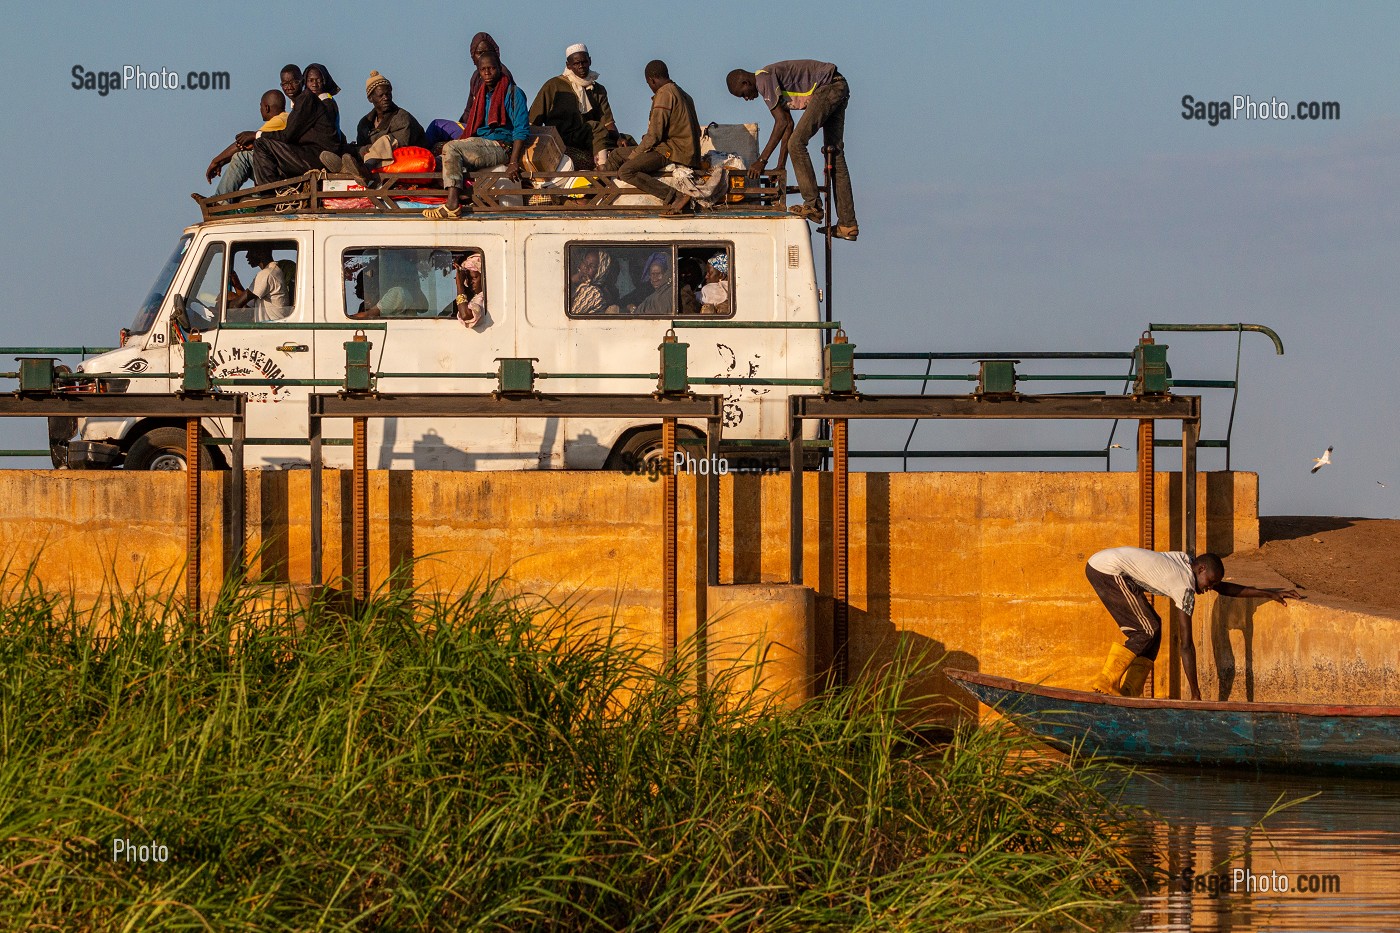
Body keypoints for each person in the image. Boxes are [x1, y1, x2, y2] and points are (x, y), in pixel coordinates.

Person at [1085, 546, 1300, 700]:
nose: (1209, 588)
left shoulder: (1185, 562)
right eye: (1210, 582)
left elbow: (1225, 588)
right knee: (1147, 629)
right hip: (1108, 570)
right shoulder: (1185, 587)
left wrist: (1268, 593)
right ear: (1201, 569)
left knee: (1154, 628)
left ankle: (1129, 692)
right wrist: (1195, 694)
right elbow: (1186, 646)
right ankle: (1106, 681)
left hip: (1105, 564)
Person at [726, 61, 858, 240]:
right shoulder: (768, 80)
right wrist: (780, 165)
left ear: (745, 83)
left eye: (743, 95)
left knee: (797, 143)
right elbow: (788, 124)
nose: (746, 99)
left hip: (827, 87)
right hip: (838, 84)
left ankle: (812, 205)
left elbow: (780, 123)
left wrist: (762, 161)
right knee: (833, 154)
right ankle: (847, 224)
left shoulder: (763, 80)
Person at [423, 54, 528, 219]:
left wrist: (513, 161)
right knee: (437, 160)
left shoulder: (514, 93)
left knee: (451, 147)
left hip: (501, 146)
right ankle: (463, 193)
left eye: (491, 68)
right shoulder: (481, 95)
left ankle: (452, 204)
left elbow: (521, 129)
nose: (487, 73)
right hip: (481, 143)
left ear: (500, 68)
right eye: (483, 70)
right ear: (479, 72)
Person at [604, 60, 700, 210]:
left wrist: (634, 155)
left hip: (673, 151)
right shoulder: (683, 93)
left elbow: (654, 135)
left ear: (652, 80)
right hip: (682, 149)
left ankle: (675, 196)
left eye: (649, 84)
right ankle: (602, 192)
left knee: (626, 171)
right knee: (616, 154)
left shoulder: (664, 93)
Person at [324, 71, 428, 181]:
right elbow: (362, 146)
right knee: (348, 149)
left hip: (404, 157)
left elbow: (399, 144)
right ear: (370, 98)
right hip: (374, 158)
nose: (386, 98)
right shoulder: (365, 123)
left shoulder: (401, 117)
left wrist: (367, 150)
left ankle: (365, 171)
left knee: (386, 140)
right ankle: (344, 169)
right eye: (381, 95)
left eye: (388, 94)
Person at [529, 43, 618, 169]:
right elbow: (533, 120)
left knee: (627, 140)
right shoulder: (553, 85)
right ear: (568, 65)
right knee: (594, 127)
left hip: (591, 138)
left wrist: (619, 139)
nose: (581, 66)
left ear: (590, 61)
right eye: (576, 63)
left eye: (584, 62)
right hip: (563, 137)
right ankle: (602, 167)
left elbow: (608, 123)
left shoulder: (598, 89)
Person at [250, 65, 339, 186]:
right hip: (313, 154)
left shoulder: (308, 100)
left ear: (302, 82)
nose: (289, 87)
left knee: (261, 144)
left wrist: (256, 135)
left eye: (294, 82)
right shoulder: (305, 102)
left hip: (317, 157)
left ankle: (268, 194)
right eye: (285, 84)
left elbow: (287, 135)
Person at [206, 89, 286, 196]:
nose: (260, 109)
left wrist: (216, 161)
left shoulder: (279, 121)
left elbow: (244, 143)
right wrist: (222, 162)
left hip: (277, 172)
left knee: (242, 157)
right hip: (276, 169)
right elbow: (248, 144)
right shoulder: (286, 118)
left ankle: (220, 200)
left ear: (266, 107)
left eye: (260, 106)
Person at [228, 245, 291, 322]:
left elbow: (236, 305)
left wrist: (221, 307)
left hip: (272, 329)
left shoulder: (266, 274)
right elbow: (247, 308)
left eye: (250, 251)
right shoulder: (274, 271)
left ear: (261, 252)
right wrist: (237, 286)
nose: (247, 256)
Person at [304, 63, 348, 147]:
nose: (314, 84)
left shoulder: (327, 102)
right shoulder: (310, 102)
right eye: (311, 80)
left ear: (324, 81)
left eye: (318, 80)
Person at [569, 250, 616, 315]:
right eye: (584, 262)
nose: (586, 267)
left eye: (592, 266)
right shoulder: (582, 287)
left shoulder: (593, 292)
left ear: (601, 271)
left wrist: (572, 280)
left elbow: (569, 317)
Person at [452, 253, 487, 327]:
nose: (470, 282)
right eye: (468, 278)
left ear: (483, 277)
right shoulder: (476, 296)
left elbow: (466, 315)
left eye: (474, 278)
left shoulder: (482, 297)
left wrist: (459, 285)